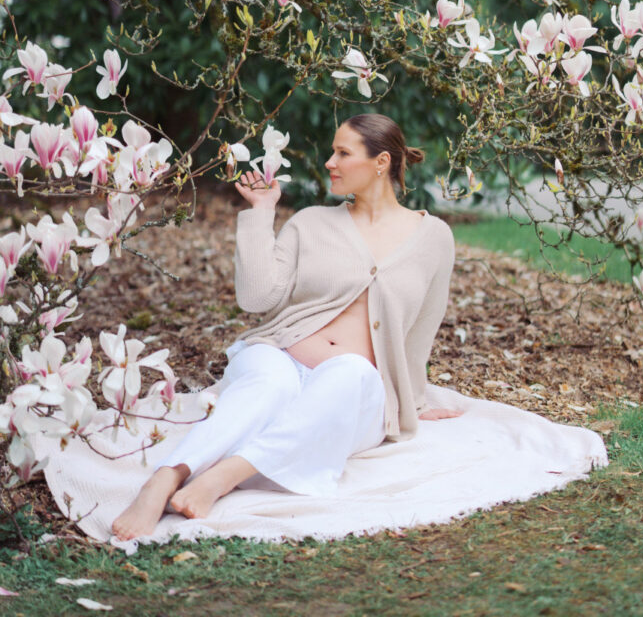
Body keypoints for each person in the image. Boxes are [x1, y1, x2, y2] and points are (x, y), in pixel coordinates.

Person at [111, 113, 461, 541]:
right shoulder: (311, 222)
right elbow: (257, 299)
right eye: (332, 151)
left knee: (349, 374)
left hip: (356, 387)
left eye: (342, 153)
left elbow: (423, 326)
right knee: (269, 385)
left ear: (381, 162)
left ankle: (218, 479)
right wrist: (262, 212)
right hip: (280, 355)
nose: (329, 162)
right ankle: (163, 480)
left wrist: (416, 400)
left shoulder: (434, 237)